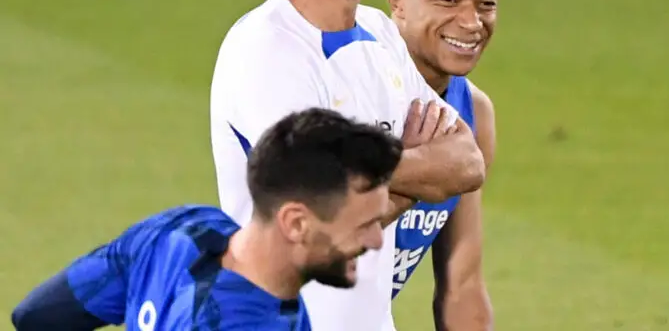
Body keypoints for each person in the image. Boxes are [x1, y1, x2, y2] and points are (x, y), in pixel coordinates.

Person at [209, 0, 486, 331]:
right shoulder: (266, 49)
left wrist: (359, 181)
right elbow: (320, 211)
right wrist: (415, 173)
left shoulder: (382, 34)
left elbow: (466, 162)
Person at [11, 108, 402, 331]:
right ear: (296, 223)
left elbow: (37, 316)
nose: (377, 240)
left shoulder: (182, 230)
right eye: (363, 225)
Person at [387, 0, 498, 330]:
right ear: (398, 3)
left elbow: (462, 285)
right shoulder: (355, 92)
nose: (472, 22)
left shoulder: (472, 113)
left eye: (486, 4)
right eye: (448, 0)